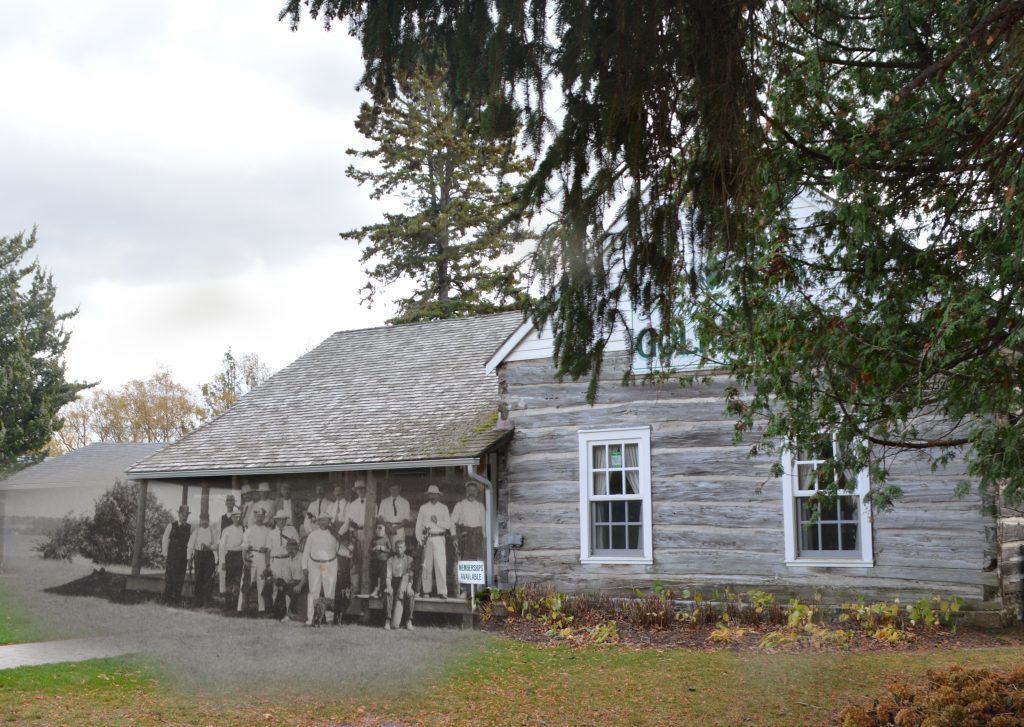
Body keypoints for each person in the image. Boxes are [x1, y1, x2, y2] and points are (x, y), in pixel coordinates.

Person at [415, 484, 452, 599]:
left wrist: (438, 522)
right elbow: (418, 525)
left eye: (435, 494)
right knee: (426, 565)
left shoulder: (444, 508)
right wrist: (419, 539)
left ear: (438, 495)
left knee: (440, 564)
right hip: (427, 538)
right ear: (428, 495)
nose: (433, 496)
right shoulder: (423, 507)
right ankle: (426, 590)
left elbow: (448, 525)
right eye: (431, 494)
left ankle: (442, 591)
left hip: (439, 538)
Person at [302, 511, 339, 626]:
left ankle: (329, 618)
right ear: (318, 522)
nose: (323, 522)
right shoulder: (312, 535)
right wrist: (304, 566)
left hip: (328, 565)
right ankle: (310, 618)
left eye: (326, 520)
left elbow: (338, 550)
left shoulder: (334, 535)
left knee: (329, 590)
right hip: (314, 565)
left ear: (329, 522)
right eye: (321, 520)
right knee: (313, 591)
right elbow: (306, 551)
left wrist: (350, 552)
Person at [242, 507, 272, 615]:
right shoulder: (249, 530)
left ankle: (261, 609)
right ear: (255, 517)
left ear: (264, 518)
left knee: (262, 583)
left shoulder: (267, 531)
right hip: (251, 556)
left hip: (262, 558)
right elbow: (244, 548)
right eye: (258, 516)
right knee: (246, 582)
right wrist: (245, 561)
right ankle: (243, 608)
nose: (260, 518)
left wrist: (267, 563)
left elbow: (268, 548)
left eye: (262, 516)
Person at [342, 480, 369, 593]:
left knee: (366, 561)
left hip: (367, 533)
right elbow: (349, 521)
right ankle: (355, 588)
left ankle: (366, 588)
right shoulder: (352, 504)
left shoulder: (372, 503)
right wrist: (342, 533)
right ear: (356, 491)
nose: (360, 491)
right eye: (358, 489)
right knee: (355, 561)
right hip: (355, 533)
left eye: (362, 489)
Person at [162, 505, 191, 606]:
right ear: (179, 514)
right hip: (172, 557)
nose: (184, 517)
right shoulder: (171, 525)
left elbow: (190, 544)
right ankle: (167, 600)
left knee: (179, 580)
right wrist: (165, 554)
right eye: (183, 514)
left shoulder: (188, 527)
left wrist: (188, 558)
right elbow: (165, 539)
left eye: (186, 515)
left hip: (182, 559)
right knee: (170, 578)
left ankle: (176, 600)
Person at [384, 539, 416, 630]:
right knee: (387, 593)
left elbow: (410, 575)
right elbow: (388, 575)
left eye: (401, 547)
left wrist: (409, 586)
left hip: (405, 581)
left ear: (405, 548)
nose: (399, 549)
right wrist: (388, 586)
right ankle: (387, 620)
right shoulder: (390, 560)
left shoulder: (409, 559)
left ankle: (408, 620)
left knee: (410, 594)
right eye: (397, 547)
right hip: (394, 581)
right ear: (394, 548)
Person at [187, 513, 217, 608]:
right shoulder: (196, 531)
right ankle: (197, 601)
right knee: (199, 578)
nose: (204, 521)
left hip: (209, 555)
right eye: (202, 519)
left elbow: (216, 546)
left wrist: (209, 546)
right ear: (200, 520)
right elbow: (190, 546)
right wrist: (189, 559)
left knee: (208, 579)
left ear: (208, 520)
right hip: (199, 556)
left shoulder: (212, 531)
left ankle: (206, 601)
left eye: (206, 519)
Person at [272, 539, 306, 622]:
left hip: (304, 582)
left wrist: (300, 585)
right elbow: (288, 577)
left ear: (297, 548)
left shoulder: (302, 557)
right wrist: (280, 585)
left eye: (292, 548)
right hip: (294, 582)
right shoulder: (289, 559)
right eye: (289, 549)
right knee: (281, 588)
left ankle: (290, 615)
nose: (290, 551)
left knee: (292, 590)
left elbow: (306, 575)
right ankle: (280, 613)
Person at [218, 509, 245, 614]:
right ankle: (228, 603)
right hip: (229, 556)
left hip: (239, 556)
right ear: (232, 518)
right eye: (235, 517)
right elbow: (221, 546)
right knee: (229, 580)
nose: (237, 519)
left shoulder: (243, 529)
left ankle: (235, 604)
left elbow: (244, 544)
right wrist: (223, 561)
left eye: (239, 517)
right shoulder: (227, 530)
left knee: (237, 580)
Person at [268, 509, 300, 592]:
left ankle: (287, 605)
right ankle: (275, 605)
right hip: (275, 561)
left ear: (286, 520)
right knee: (275, 586)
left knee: (287, 585)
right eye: (279, 519)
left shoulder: (292, 530)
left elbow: (297, 547)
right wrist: (268, 565)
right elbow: (268, 550)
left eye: (283, 519)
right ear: (276, 520)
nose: (281, 521)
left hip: (287, 560)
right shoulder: (271, 533)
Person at [377, 482, 411, 548]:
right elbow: (380, 517)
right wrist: (388, 527)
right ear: (389, 489)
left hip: (399, 530)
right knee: (385, 550)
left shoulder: (405, 502)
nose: (394, 491)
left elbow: (406, 519)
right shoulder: (384, 502)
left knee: (398, 549)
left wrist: (396, 527)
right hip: (386, 529)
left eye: (396, 489)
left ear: (399, 489)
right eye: (392, 489)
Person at [368, 524, 391, 598]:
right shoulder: (373, 540)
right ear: (376, 531)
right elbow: (369, 550)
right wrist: (374, 548)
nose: (380, 532)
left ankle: (381, 591)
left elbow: (390, 550)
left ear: (384, 531)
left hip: (383, 561)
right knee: (374, 576)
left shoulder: (386, 539)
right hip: (374, 561)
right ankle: (375, 591)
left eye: (381, 531)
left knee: (383, 576)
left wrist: (383, 548)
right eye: (378, 531)